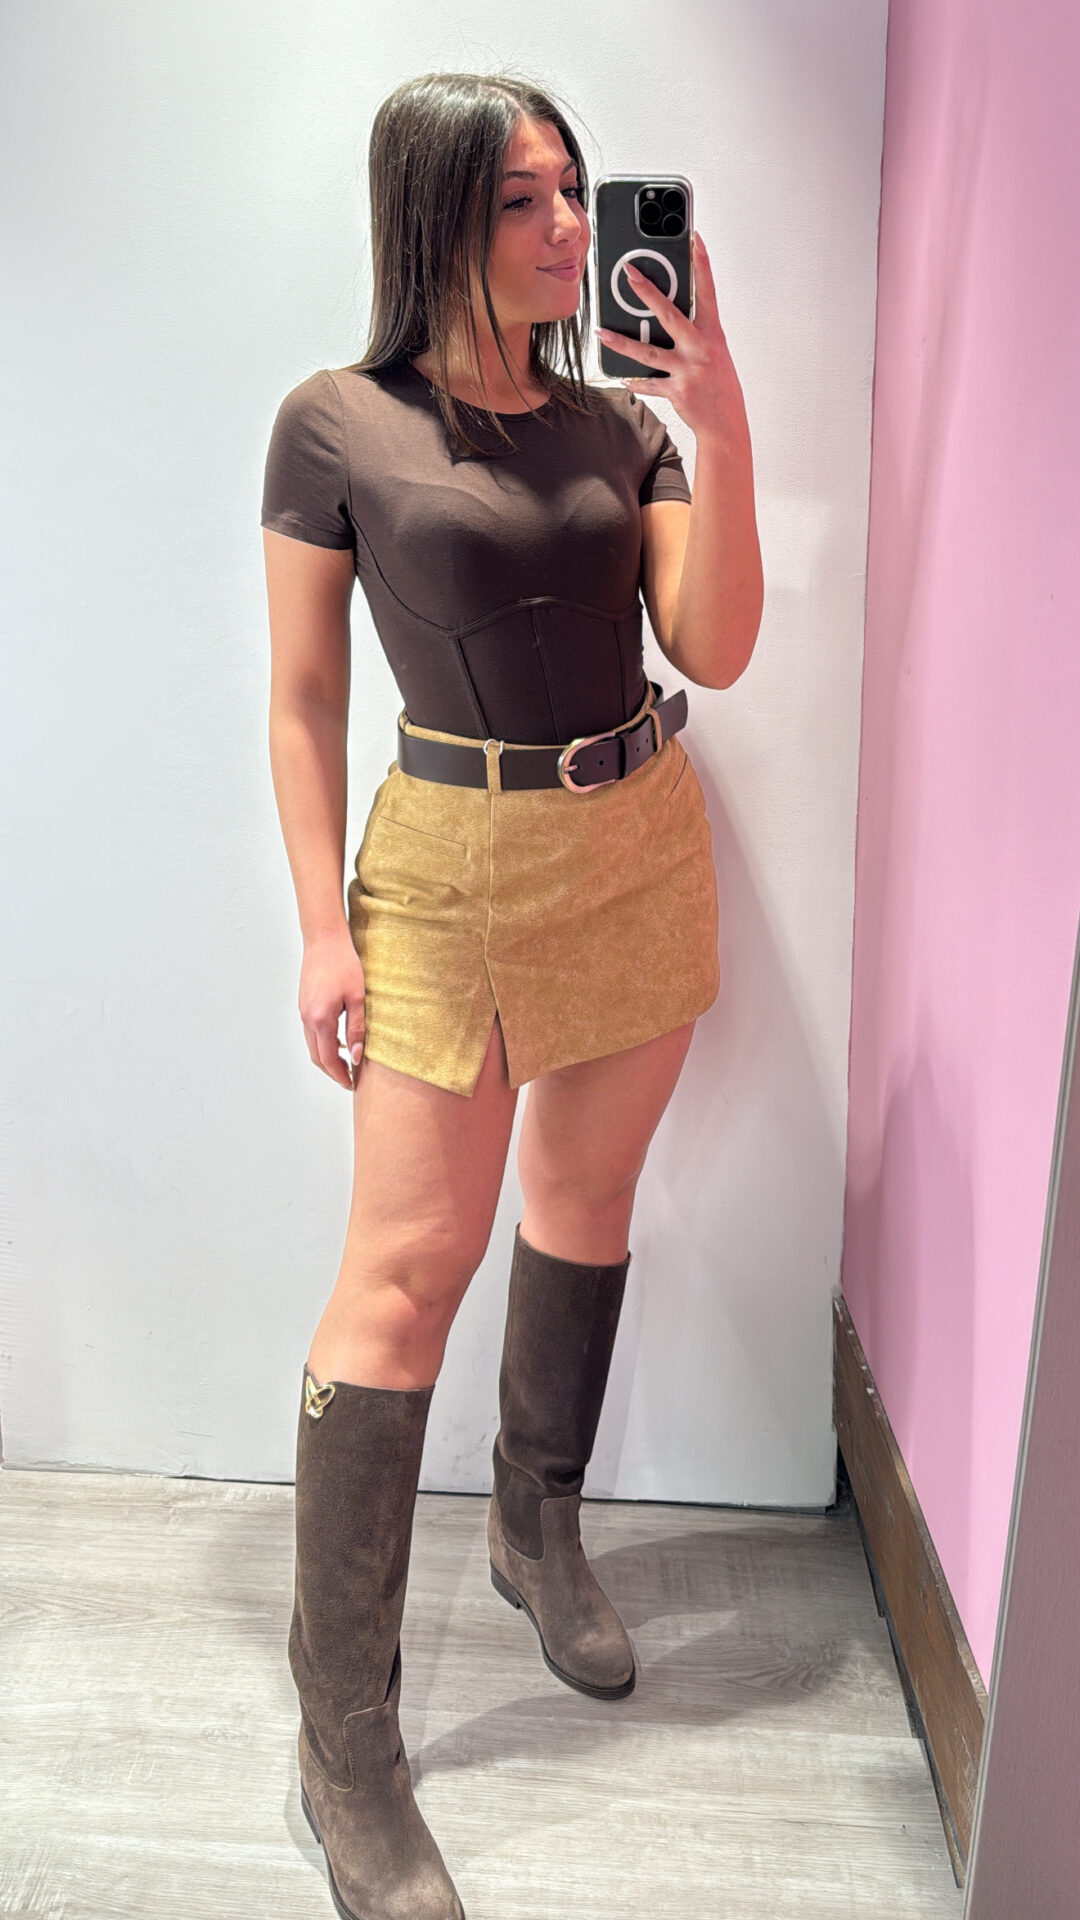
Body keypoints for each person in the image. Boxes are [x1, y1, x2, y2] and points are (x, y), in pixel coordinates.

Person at [260, 68, 762, 1920]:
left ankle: (535, 1523)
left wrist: (715, 413)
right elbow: (303, 698)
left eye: (575, 194)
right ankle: (347, 1745)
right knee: (403, 1276)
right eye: (522, 202)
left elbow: (716, 644)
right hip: (449, 869)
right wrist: (322, 928)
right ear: (434, 217)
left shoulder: (622, 425)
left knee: (588, 1201)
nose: (567, 232)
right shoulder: (337, 423)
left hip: (636, 843)